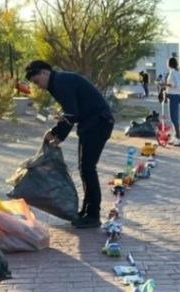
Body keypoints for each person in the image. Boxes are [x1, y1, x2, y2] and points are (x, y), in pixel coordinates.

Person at [23, 60, 115, 229]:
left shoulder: (60, 82)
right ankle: (87, 211)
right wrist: (57, 134)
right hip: (92, 124)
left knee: (88, 168)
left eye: (37, 81)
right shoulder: (58, 82)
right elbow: (72, 112)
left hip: (98, 123)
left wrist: (57, 133)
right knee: (85, 168)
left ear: (44, 72)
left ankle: (93, 215)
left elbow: (72, 113)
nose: (38, 86)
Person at [163, 57, 180, 146]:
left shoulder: (172, 72)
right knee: (173, 118)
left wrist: (163, 84)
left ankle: (178, 138)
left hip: (173, 96)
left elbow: (173, 85)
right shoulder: (179, 72)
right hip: (176, 95)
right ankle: (175, 137)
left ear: (169, 64)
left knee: (174, 118)